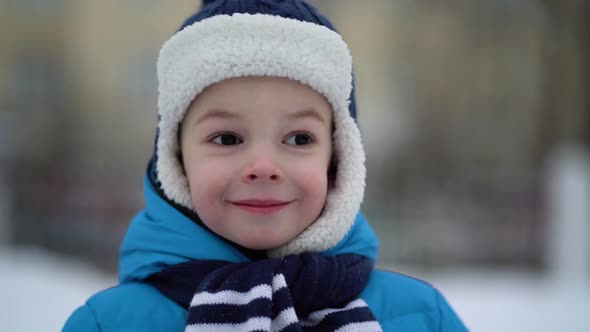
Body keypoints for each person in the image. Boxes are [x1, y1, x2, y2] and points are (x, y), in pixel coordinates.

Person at [63, 1, 468, 331]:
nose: (263, 167)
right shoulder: (108, 324)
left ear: (337, 159)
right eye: (227, 138)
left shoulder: (422, 317)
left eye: (299, 138)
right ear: (177, 161)